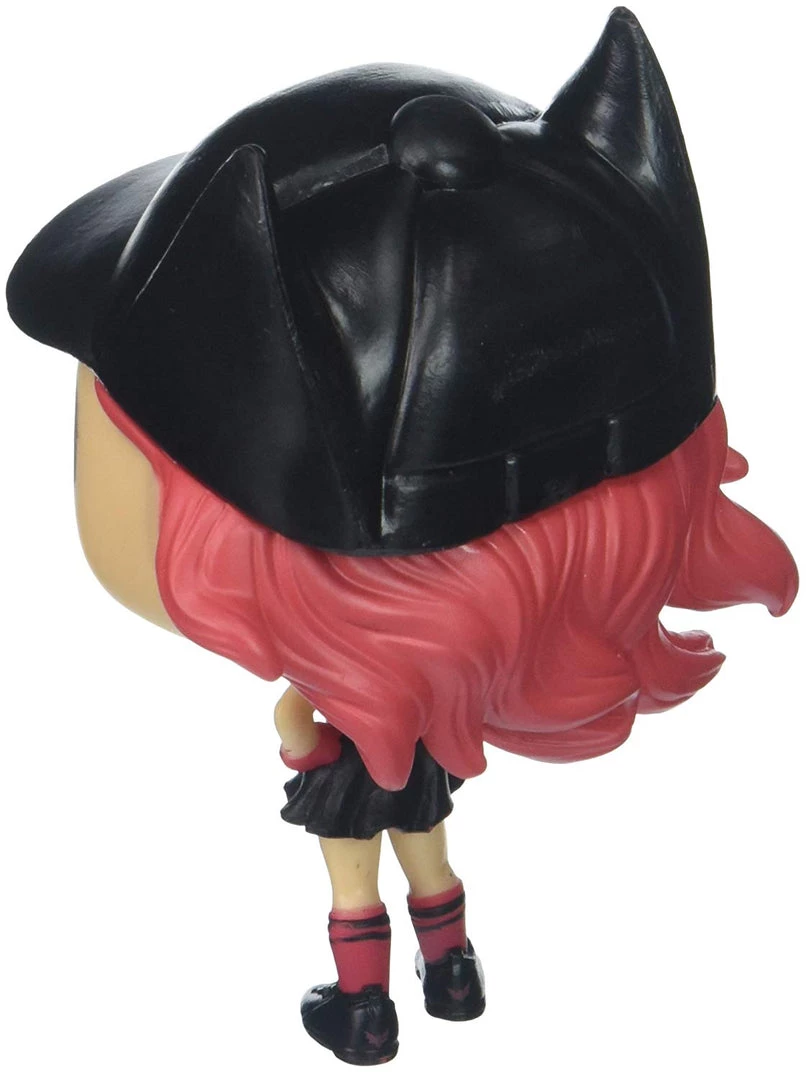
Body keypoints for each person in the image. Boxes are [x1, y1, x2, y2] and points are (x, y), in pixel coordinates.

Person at [7, 8, 798, 1067]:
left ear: (212, 528)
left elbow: (298, 730)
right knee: (428, 857)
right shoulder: (430, 724)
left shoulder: (358, 702)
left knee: (350, 877)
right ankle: (453, 969)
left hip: (360, 765)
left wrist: (301, 722)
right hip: (413, 763)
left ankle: (363, 1002)